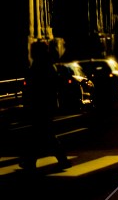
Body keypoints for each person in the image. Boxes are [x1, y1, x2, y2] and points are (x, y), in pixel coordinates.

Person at [19, 40, 71, 171]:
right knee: (43, 134)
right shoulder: (47, 64)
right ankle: (31, 161)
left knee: (41, 134)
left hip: (41, 104)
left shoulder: (40, 65)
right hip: (46, 104)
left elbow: (34, 87)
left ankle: (31, 161)